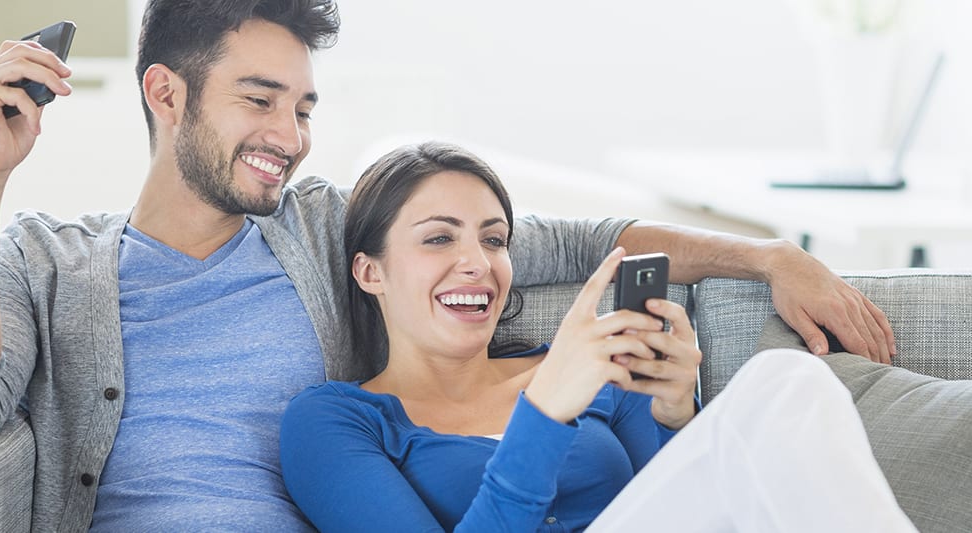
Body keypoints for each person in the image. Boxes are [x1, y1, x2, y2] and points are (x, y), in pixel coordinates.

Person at [0, 0, 895, 531]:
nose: (290, 136)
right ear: (166, 93)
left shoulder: (328, 230)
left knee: (783, 390)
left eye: (303, 108)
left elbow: (574, 241)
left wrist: (768, 256)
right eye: (259, 100)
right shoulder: (50, 259)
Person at [279, 142, 916, 532]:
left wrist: (676, 416)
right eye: (439, 238)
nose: (477, 262)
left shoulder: (597, 369)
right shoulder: (335, 421)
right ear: (371, 272)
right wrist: (545, 413)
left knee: (788, 379)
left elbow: (688, 503)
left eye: (494, 240)